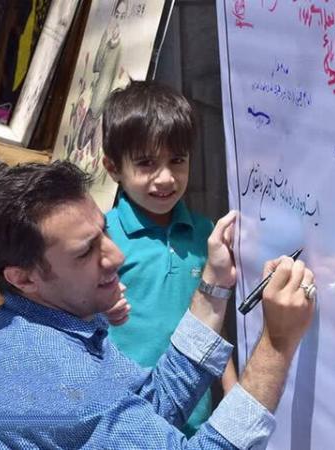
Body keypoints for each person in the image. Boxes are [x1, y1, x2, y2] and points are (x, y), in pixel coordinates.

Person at [0, 161, 317, 449]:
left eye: (104, 232)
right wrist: (277, 343)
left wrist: (214, 284)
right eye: (85, 252)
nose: (116, 256)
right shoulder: (60, 381)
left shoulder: (40, 323)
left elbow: (156, 402)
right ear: (23, 278)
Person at [101, 80, 237, 435]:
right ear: (113, 168)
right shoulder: (102, 239)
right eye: (146, 163)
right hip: (124, 419)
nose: (165, 178)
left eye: (177, 160)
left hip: (193, 419)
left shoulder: (205, 234)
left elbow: (212, 319)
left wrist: (231, 388)